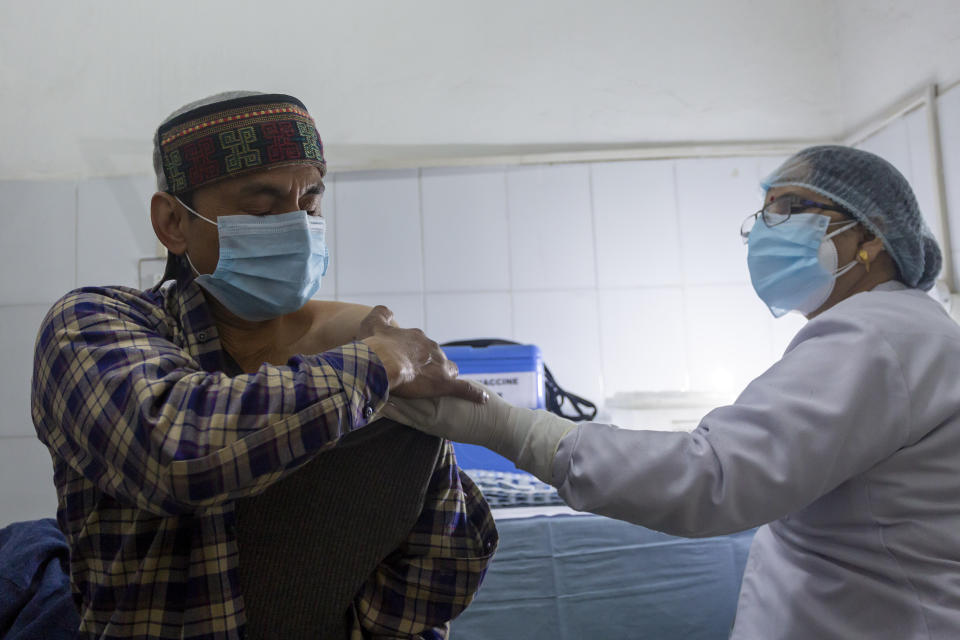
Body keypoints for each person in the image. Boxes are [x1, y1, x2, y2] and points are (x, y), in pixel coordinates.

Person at [385, 145, 960, 639]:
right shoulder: (892, 332)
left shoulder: (877, 335)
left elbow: (713, 478)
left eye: (790, 209)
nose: (767, 228)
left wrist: (506, 427)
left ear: (872, 236)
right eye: (763, 214)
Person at [32, 91, 496, 640]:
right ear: (173, 221)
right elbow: (174, 453)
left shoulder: (362, 359)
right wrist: (375, 366)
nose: (296, 227)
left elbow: (435, 569)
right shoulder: (94, 323)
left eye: (310, 204)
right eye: (260, 206)